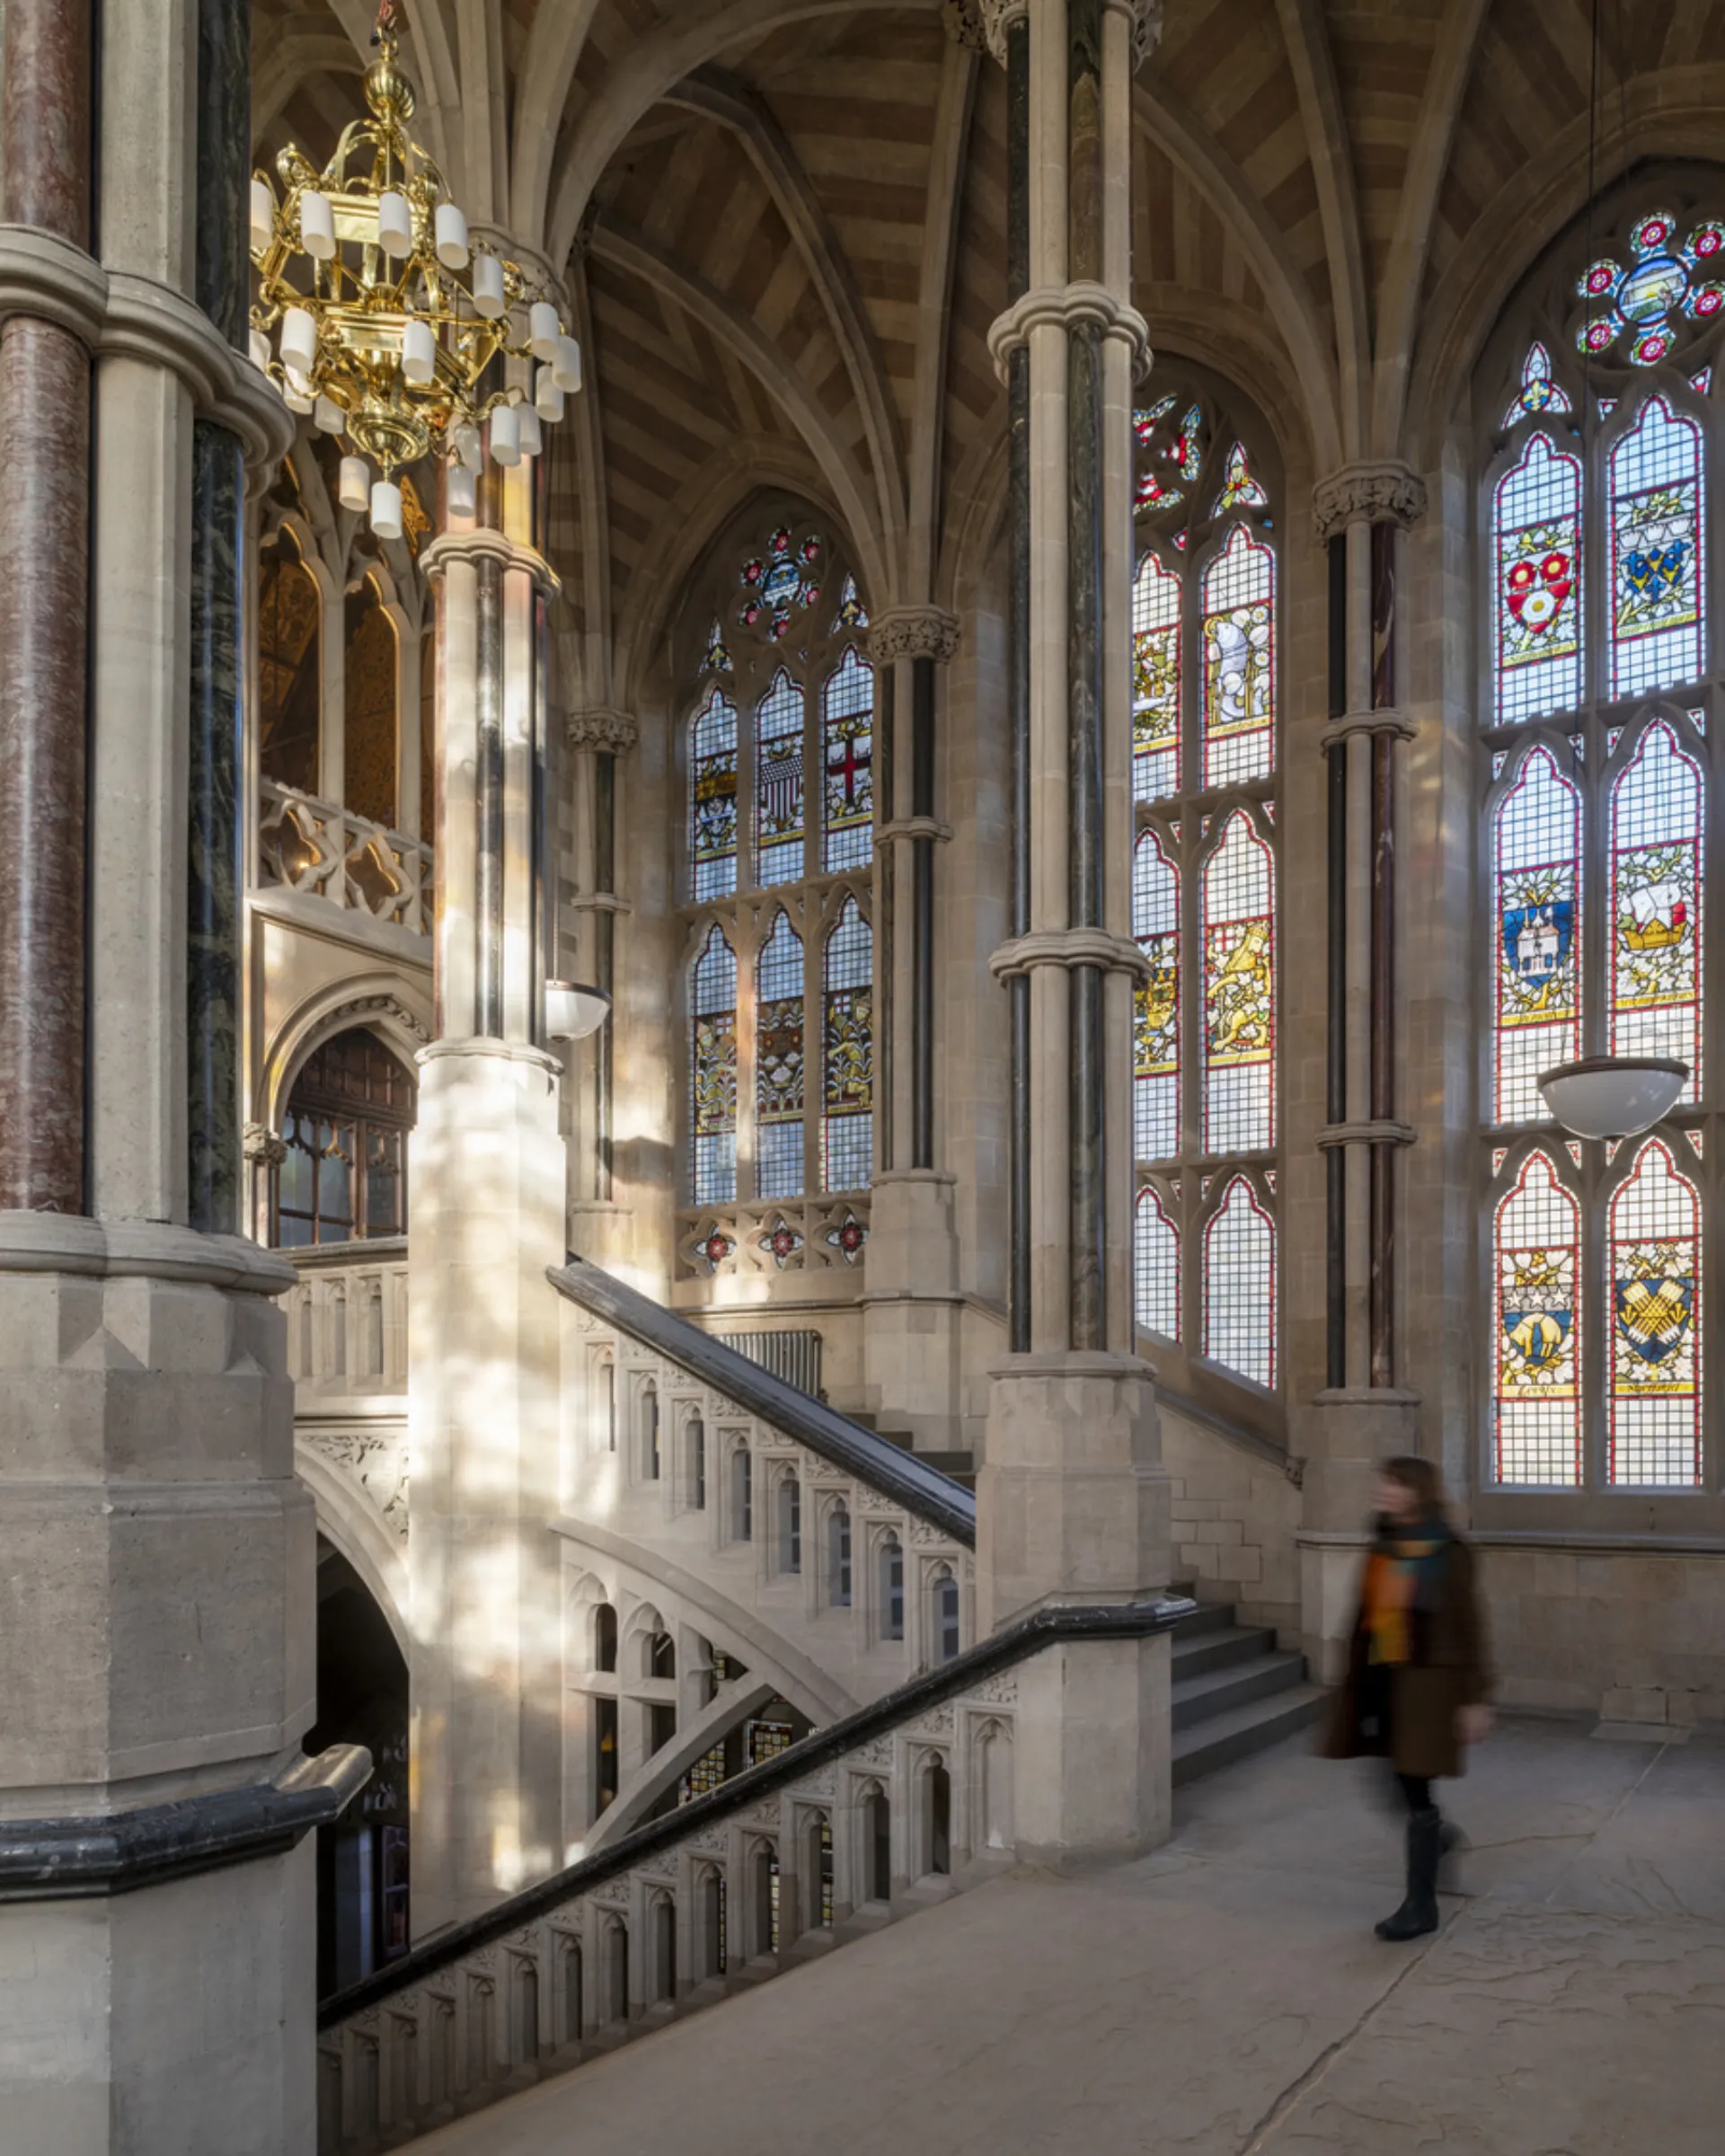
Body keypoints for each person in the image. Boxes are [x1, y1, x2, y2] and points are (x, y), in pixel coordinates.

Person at [1322, 1454, 1493, 1941]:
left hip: (1427, 1685)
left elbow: (1469, 1626)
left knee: (1413, 1781)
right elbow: (1366, 1614)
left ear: (1418, 1491)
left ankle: (1421, 1905)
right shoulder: (1384, 1544)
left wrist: (1475, 1698)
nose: (1384, 1492)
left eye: (1394, 1485)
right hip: (1380, 1679)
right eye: (1384, 1484)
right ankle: (1437, 1839)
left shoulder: (1447, 1550)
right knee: (1387, 1781)